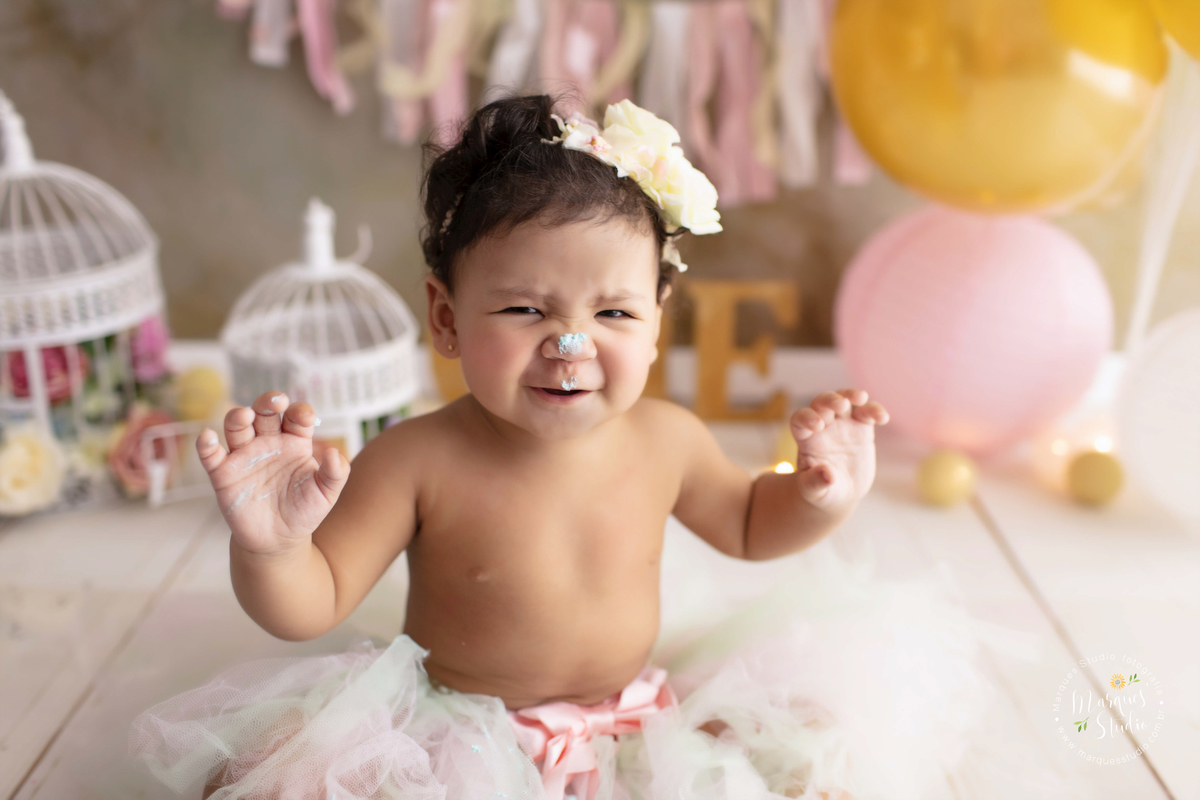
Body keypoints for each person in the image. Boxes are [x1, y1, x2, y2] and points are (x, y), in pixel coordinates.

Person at [130, 96, 990, 800]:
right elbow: (306, 607)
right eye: (525, 310)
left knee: (818, 759)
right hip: (458, 745)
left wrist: (816, 495)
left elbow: (753, 528)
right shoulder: (417, 460)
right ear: (446, 317)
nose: (571, 345)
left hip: (638, 721)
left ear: (658, 321)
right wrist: (272, 546)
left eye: (612, 313)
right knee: (265, 778)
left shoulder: (666, 439)